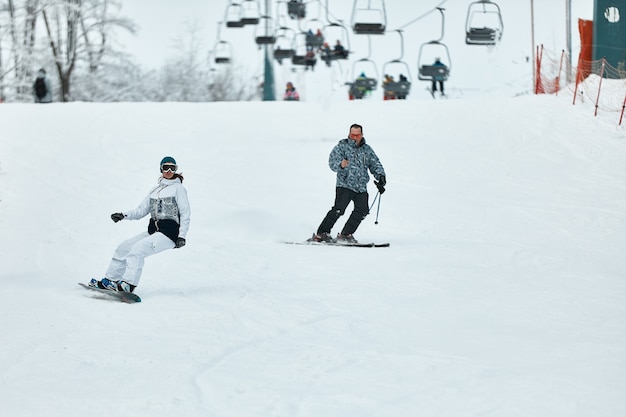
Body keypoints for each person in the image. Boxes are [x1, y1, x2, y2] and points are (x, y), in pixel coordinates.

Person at [88, 156, 191, 293]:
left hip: (169, 233)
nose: (169, 170)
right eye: (166, 167)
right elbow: (141, 210)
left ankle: (128, 285)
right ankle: (111, 280)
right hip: (153, 232)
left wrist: (182, 236)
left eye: (173, 168)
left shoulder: (178, 189)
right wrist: (124, 215)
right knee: (124, 248)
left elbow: (185, 213)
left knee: (137, 250)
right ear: (161, 169)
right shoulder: (154, 191)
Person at [311, 124, 386, 244]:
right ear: (349, 134)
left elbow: (375, 164)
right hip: (345, 184)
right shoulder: (342, 147)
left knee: (362, 210)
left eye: (357, 135)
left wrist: (381, 177)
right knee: (338, 210)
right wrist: (341, 165)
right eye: (352, 135)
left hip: (361, 186)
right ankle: (322, 234)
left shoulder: (367, 150)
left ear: (362, 135)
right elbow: (332, 162)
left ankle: (346, 234)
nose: (355, 137)